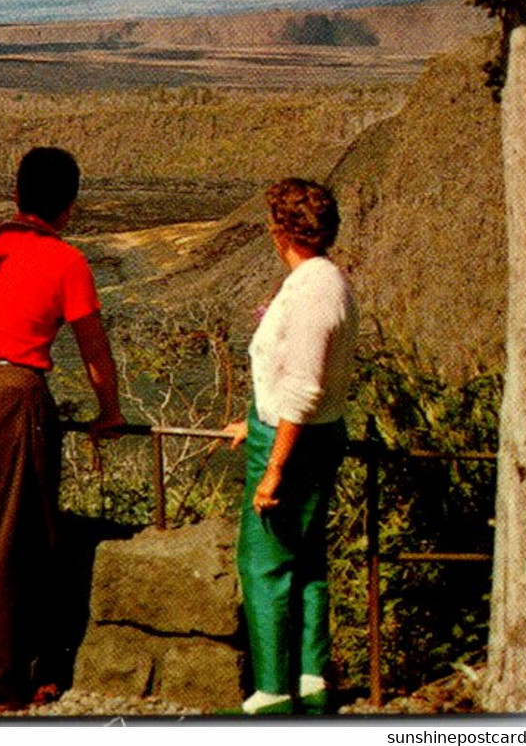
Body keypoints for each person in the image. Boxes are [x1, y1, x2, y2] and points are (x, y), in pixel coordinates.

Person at [0, 146, 125, 712]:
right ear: (69, 207)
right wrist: (109, 411)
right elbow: (94, 349)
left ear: (16, 195)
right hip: (14, 394)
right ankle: (4, 683)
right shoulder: (66, 260)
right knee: (15, 540)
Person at [224, 178, 358, 715]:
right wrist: (255, 419)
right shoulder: (330, 281)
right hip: (309, 432)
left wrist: (273, 464)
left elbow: (303, 387)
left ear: (280, 232)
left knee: (264, 564)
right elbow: (296, 380)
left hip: (295, 442)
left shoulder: (309, 291)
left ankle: (270, 695)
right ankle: (311, 679)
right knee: (306, 563)